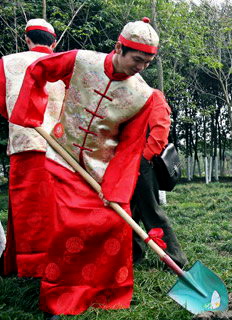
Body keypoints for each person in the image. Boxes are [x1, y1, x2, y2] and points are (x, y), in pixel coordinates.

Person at [10, 18, 171, 318]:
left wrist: (115, 190)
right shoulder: (81, 60)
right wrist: (30, 112)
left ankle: (99, 291)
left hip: (100, 171)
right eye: (137, 60)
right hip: (62, 156)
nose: (141, 68)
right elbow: (39, 70)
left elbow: (130, 147)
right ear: (119, 47)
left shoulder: (143, 95)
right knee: (65, 228)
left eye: (148, 63)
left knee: (112, 224)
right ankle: (57, 295)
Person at [0, 19, 65, 277]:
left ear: (26, 39)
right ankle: (16, 262)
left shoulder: (7, 62)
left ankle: (37, 270)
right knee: (47, 209)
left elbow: (3, 105)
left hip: (25, 143)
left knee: (26, 207)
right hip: (58, 148)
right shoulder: (65, 65)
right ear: (55, 42)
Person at [131, 156, 188, 268]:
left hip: (141, 162)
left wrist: (147, 154)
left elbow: (159, 137)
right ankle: (135, 255)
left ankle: (176, 260)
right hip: (126, 163)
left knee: (151, 212)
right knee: (129, 212)